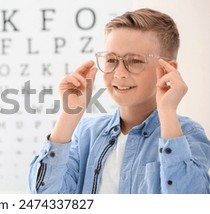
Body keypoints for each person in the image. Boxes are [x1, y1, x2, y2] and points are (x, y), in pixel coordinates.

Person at [28, 8, 210, 194]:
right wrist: (68, 115)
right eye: (112, 59)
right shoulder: (86, 134)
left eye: (135, 61)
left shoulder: (187, 135)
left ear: (167, 69)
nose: (120, 73)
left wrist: (168, 112)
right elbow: (44, 200)